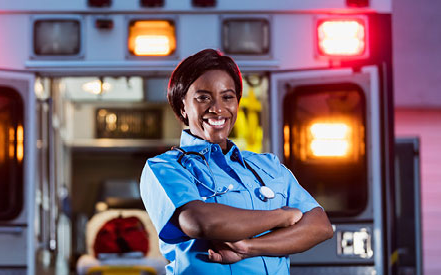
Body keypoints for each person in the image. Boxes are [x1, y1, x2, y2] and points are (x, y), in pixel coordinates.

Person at [140, 49, 333, 274]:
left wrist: (248, 247)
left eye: (227, 97)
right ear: (183, 106)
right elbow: (200, 222)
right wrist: (283, 216)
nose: (218, 108)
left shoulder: (268, 165)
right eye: (203, 97)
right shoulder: (167, 167)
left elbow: (320, 226)